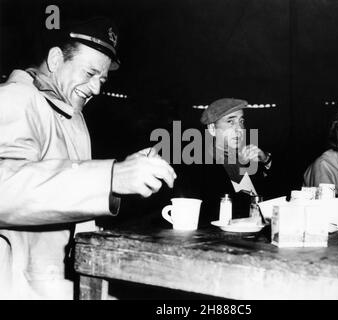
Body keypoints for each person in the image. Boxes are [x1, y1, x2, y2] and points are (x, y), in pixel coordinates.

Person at [0, 17, 176, 299]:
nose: (96, 88)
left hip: (64, 283)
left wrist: (120, 180)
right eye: (89, 73)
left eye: (102, 79)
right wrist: (111, 176)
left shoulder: (72, 116)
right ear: (56, 59)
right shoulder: (14, 99)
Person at [174, 98, 272, 225]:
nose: (240, 129)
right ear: (212, 129)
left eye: (241, 121)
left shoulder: (249, 158)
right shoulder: (197, 167)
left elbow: (276, 195)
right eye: (230, 121)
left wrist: (266, 160)